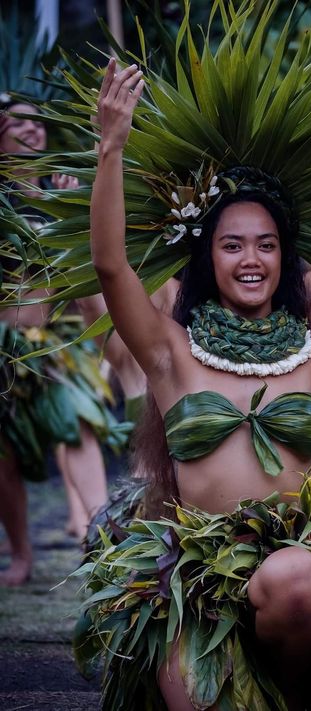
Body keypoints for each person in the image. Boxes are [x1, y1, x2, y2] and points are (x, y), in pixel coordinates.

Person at [75, 57, 311, 711]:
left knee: (295, 578)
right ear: (209, 258)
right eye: (232, 244)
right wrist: (111, 149)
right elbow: (109, 262)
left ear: (285, 257)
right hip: (195, 579)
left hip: (293, 567)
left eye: (266, 245)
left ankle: (297, 689)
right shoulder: (168, 354)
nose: (251, 259)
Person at [0, 98, 113, 585]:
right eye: (19, 123)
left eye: (38, 123)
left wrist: (66, 213)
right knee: (3, 455)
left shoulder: (55, 192)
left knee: (78, 422)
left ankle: (100, 538)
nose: (34, 131)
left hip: (53, 343)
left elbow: (83, 281)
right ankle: (22, 555)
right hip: (4, 345)